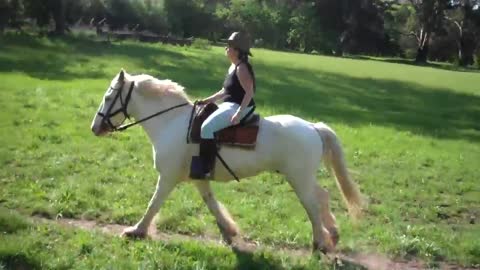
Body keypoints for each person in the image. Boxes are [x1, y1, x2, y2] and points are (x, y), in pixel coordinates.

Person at [190, 31, 256, 179]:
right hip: (230, 104)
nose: (226, 49)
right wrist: (207, 100)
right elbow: (225, 91)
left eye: (229, 46)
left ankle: (206, 169)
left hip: (240, 106)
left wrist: (239, 113)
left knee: (206, 128)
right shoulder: (233, 67)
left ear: (237, 51)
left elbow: (249, 92)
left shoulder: (241, 68)